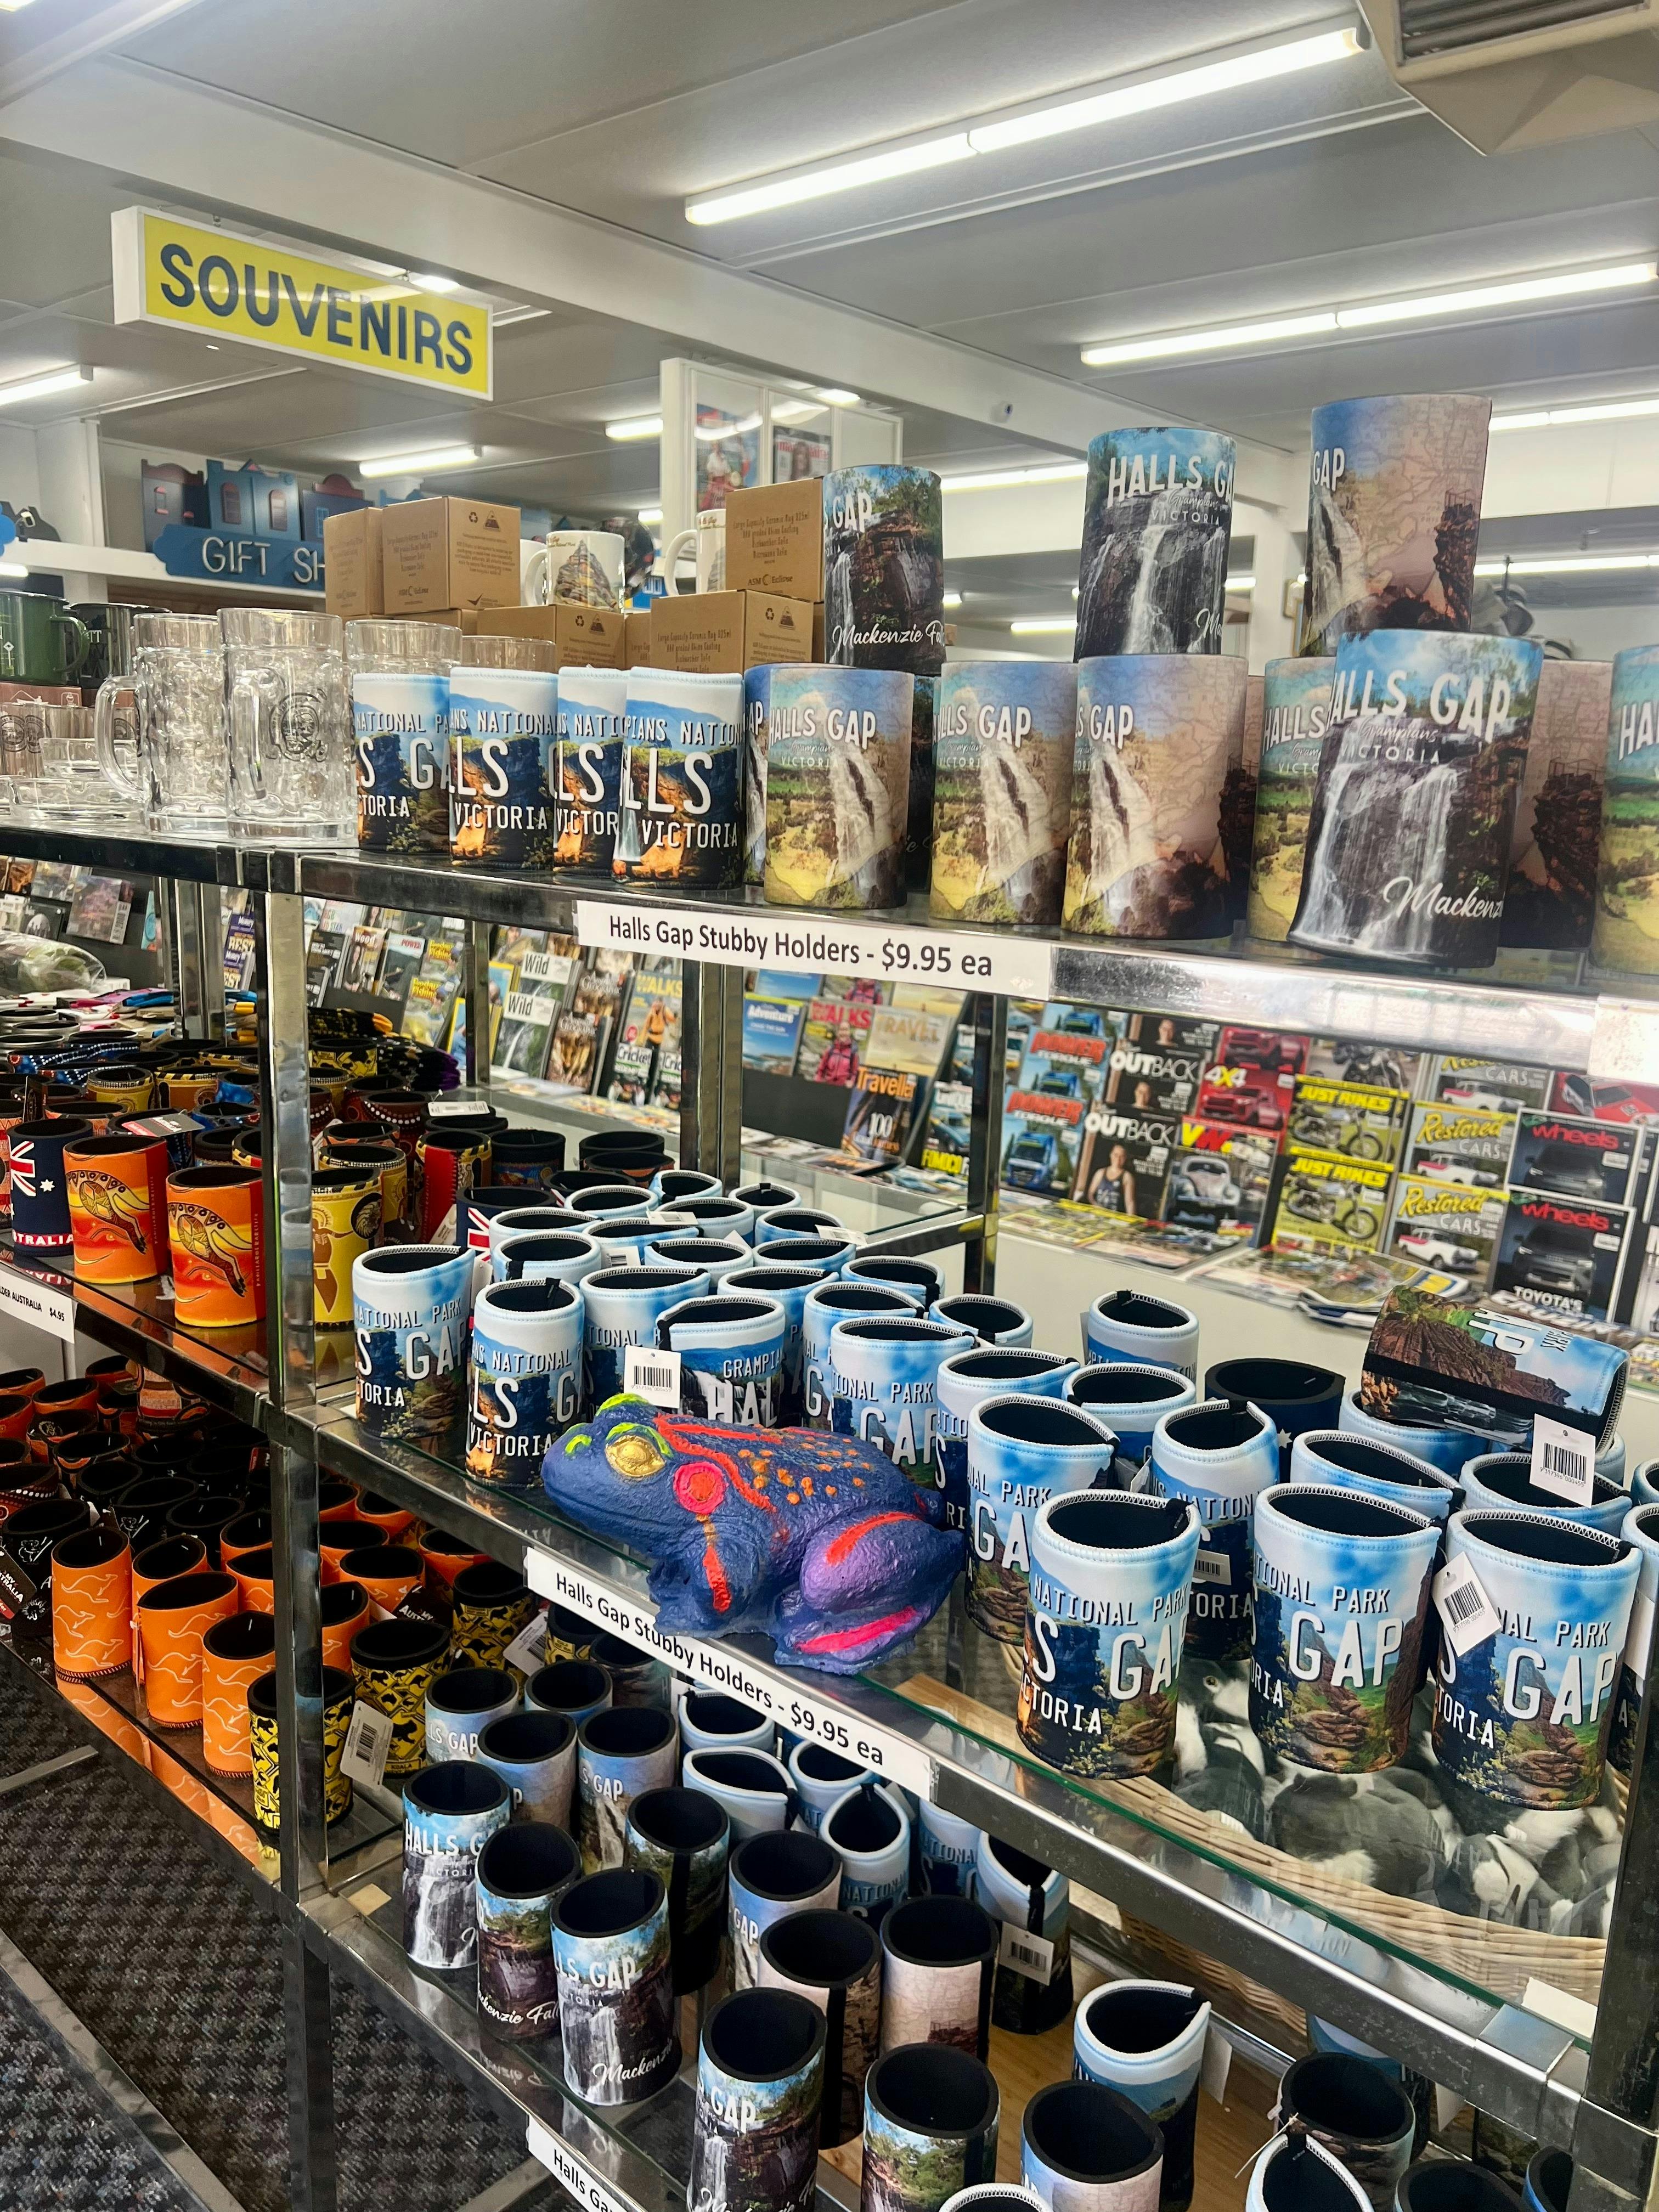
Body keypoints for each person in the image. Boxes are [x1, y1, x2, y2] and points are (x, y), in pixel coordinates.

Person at [1087, 1142, 1137, 1216]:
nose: (1118, 1159)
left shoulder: (1127, 1177)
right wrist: (1095, 1204)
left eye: (1122, 1156)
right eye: (1116, 1155)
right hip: (1097, 1214)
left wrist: (1131, 1222)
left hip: (1115, 1218)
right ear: (1111, 1155)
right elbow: (1090, 1194)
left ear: (1125, 1158)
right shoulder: (1100, 1173)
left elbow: (1130, 1203)